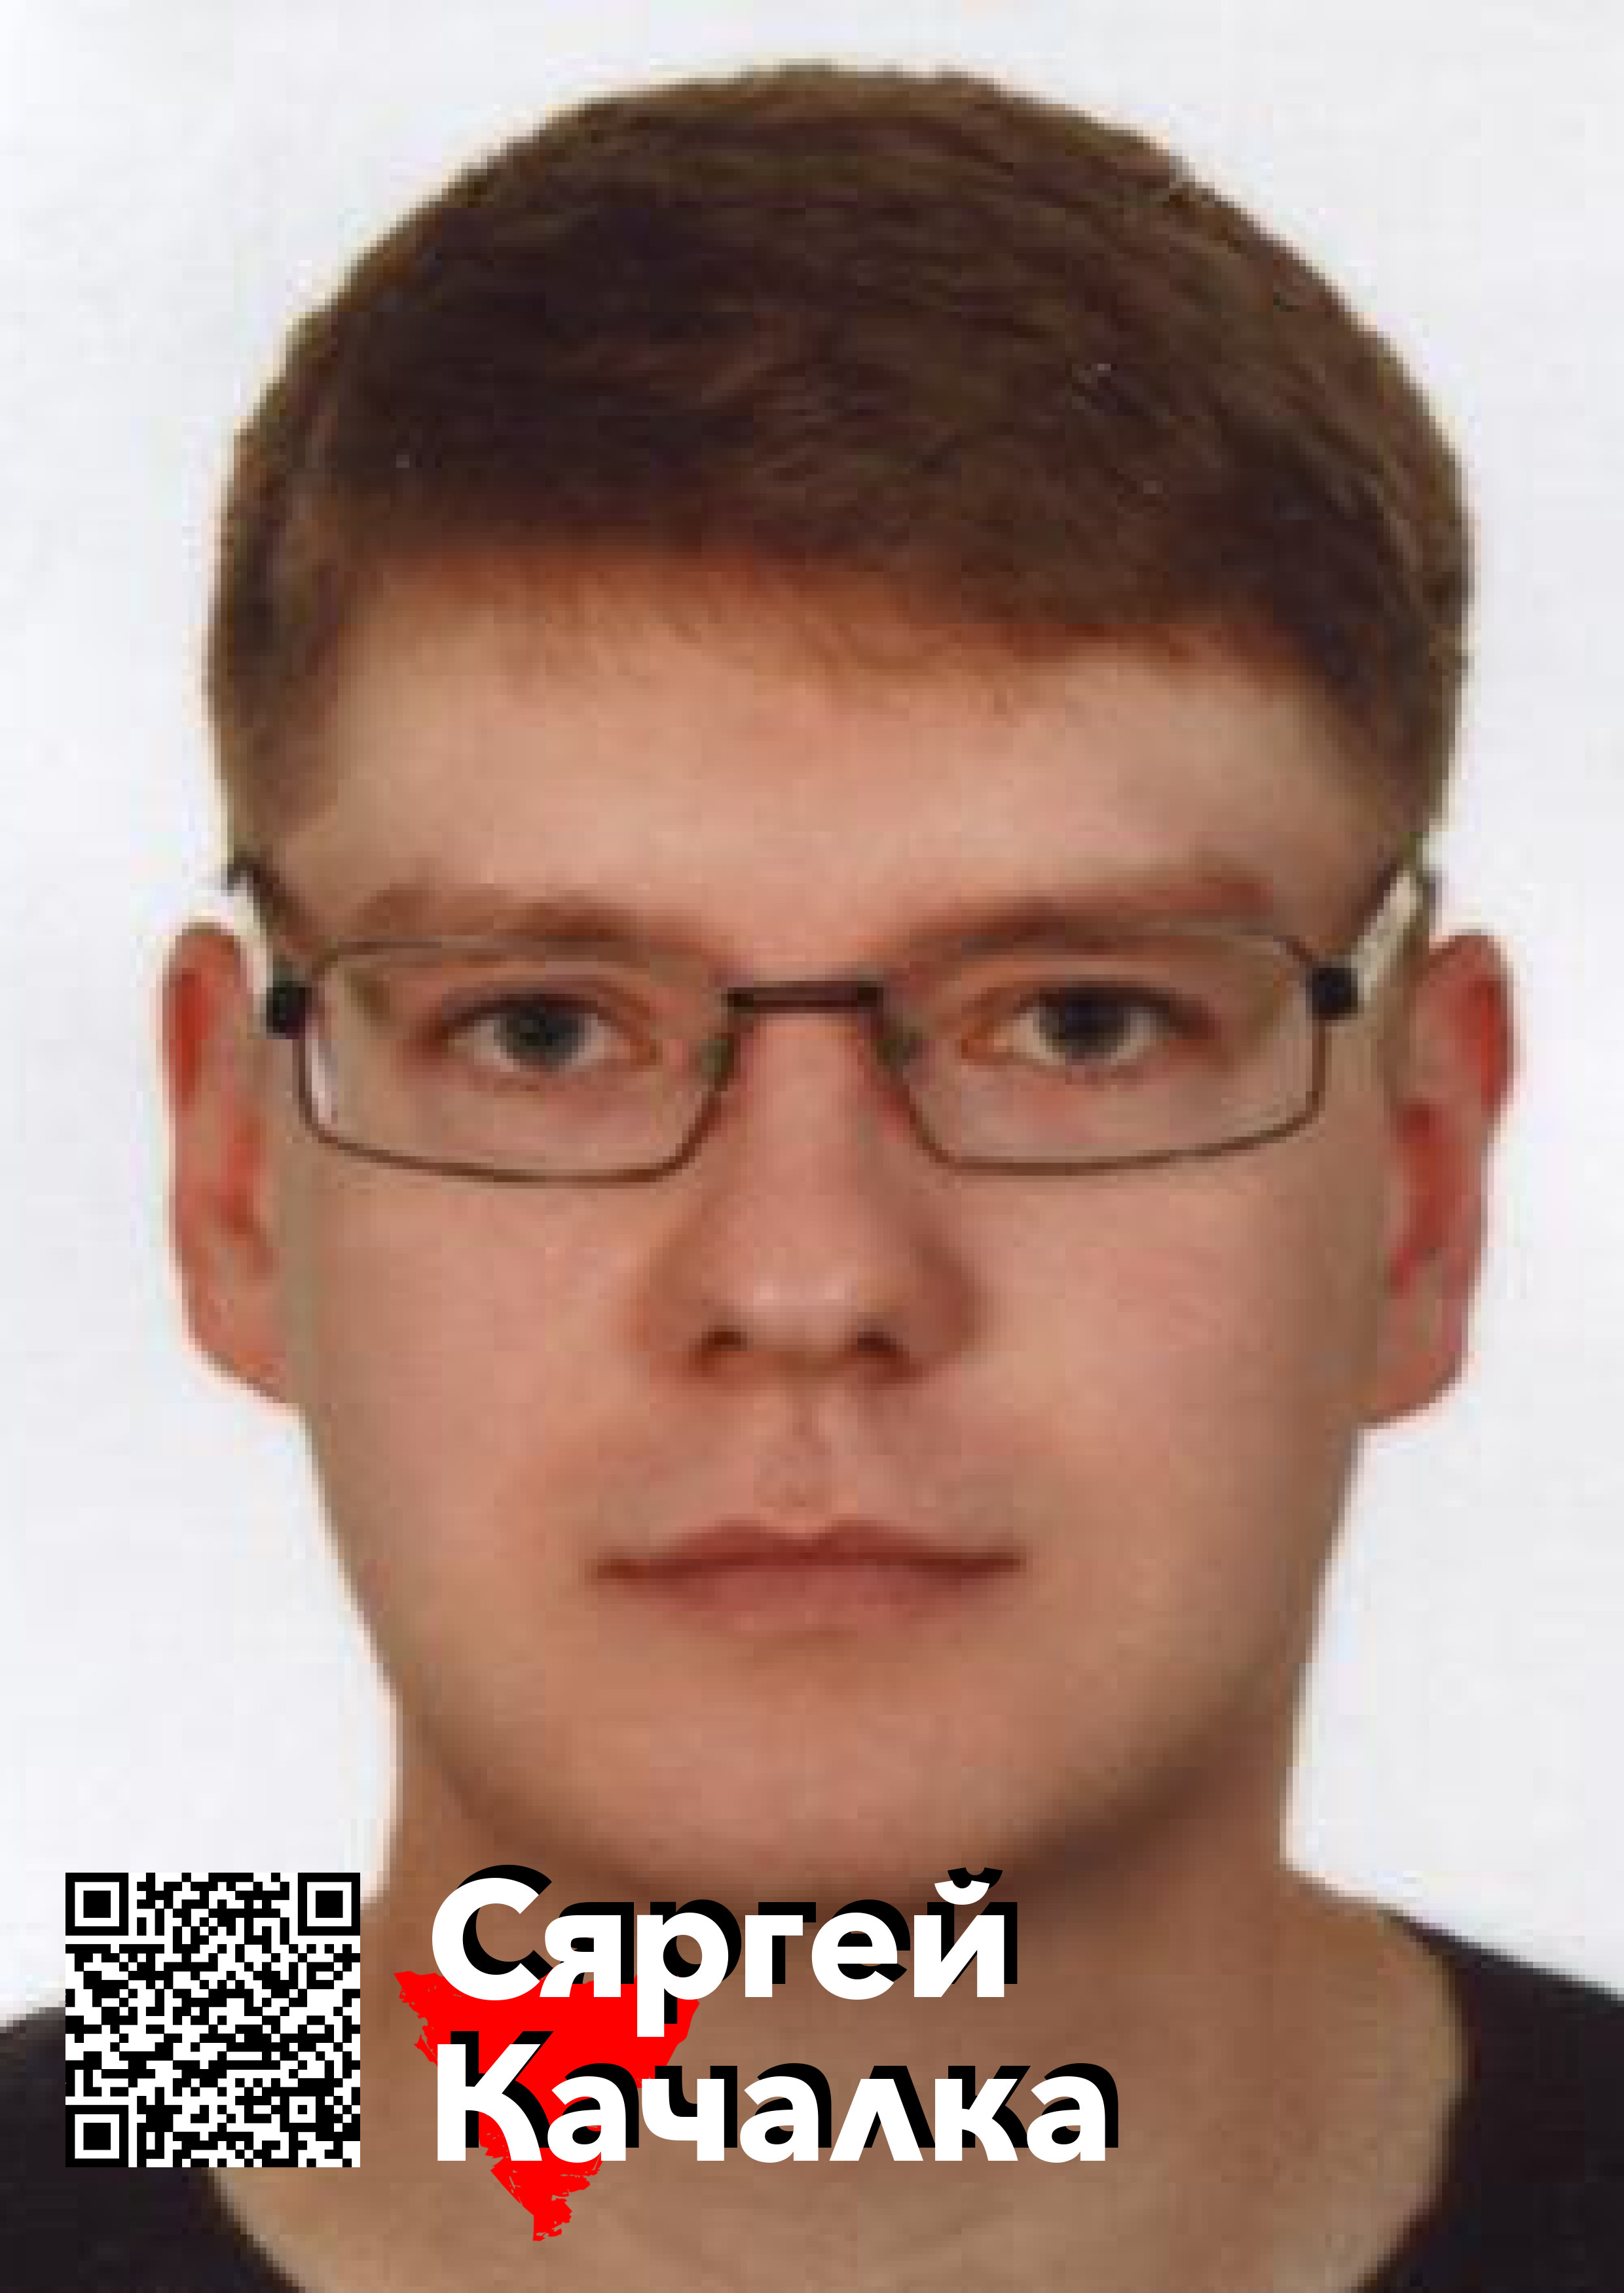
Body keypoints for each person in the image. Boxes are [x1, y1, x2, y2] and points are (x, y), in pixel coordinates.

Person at [4, 59, 1620, 2293]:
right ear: (234, 1181)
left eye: (1082, 1021)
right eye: (543, 1028)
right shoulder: (84, 2130)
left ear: (1421, 1190)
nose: (803, 1278)